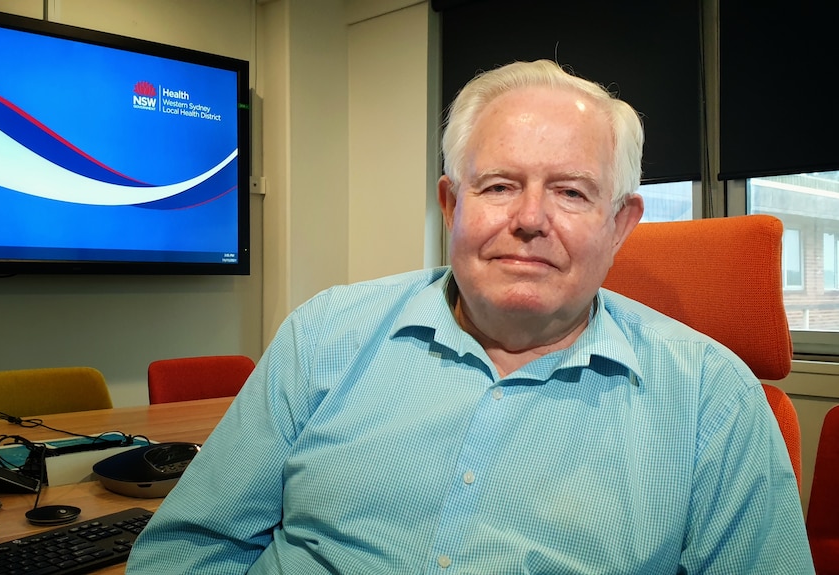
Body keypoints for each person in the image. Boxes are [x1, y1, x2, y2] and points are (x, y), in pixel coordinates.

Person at [126, 60, 814, 574]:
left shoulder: (713, 402)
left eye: (572, 192)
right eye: (499, 186)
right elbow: (192, 548)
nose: (530, 220)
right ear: (453, 206)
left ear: (620, 225)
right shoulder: (324, 335)